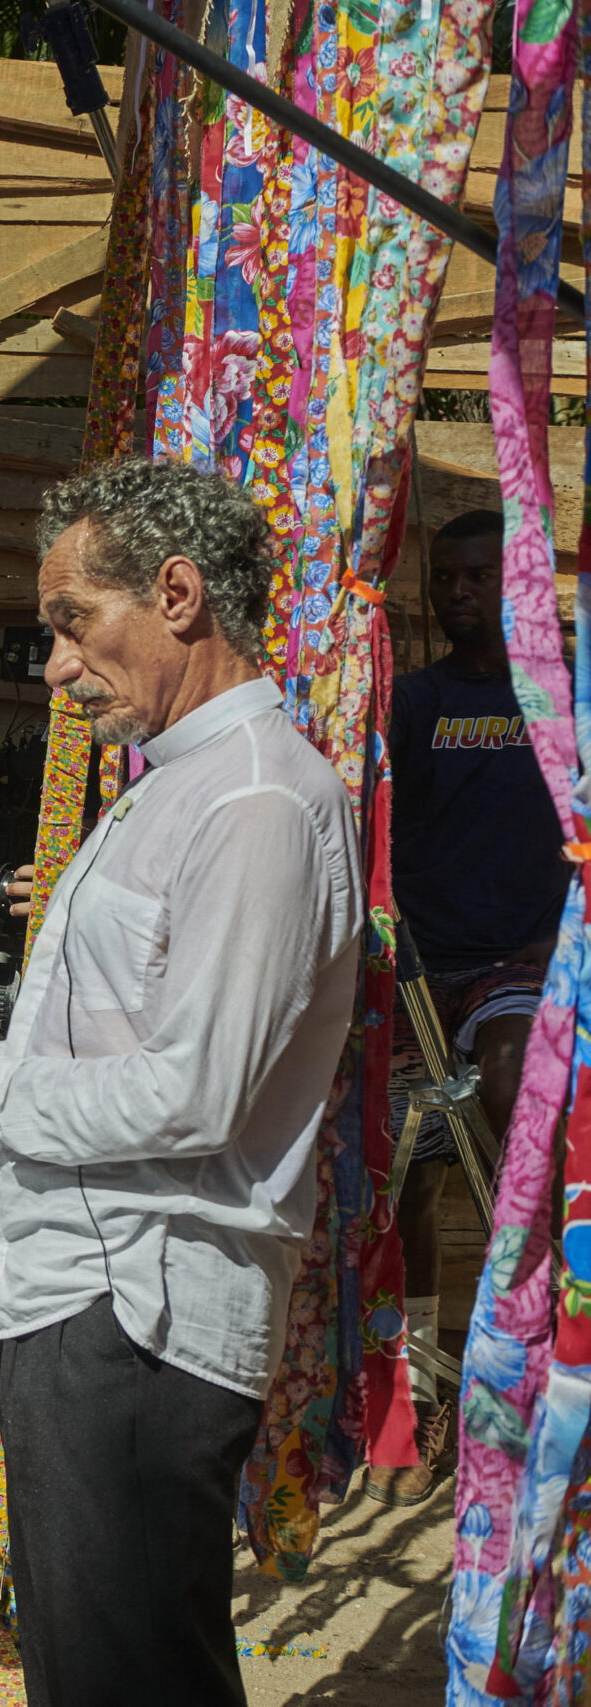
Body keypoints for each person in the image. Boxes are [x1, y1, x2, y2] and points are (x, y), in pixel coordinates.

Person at [0, 457, 360, 1706]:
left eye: (74, 624)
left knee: (129, 1675)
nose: (57, 667)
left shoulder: (253, 803)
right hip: (86, 1298)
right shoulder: (179, 787)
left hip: (140, 1312)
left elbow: (190, 1094)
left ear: (178, 594)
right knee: (98, 1664)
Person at [373, 508, 565, 1506]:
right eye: (442, 577)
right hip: (416, 970)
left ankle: (509, 1366)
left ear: (516, 578)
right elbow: (374, 822)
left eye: (475, 575)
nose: (454, 593)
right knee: (395, 1173)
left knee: (503, 1095)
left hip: (518, 964)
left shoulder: (561, 697)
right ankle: (416, 1393)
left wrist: (565, 933)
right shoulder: (415, 700)